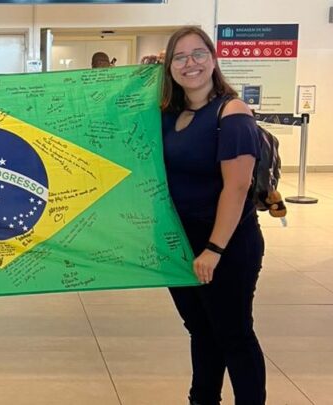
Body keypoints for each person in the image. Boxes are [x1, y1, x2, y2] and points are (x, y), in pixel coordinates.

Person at [160, 26, 266, 405]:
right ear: (169, 66)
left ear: (214, 58)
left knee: (233, 333)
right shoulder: (171, 114)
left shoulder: (232, 113)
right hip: (182, 244)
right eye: (180, 57)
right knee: (201, 331)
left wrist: (214, 249)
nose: (191, 64)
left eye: (199, 54)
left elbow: (236, 188)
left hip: (226, 244)